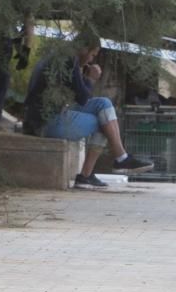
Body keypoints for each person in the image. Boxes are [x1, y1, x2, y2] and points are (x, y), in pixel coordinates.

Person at [22, 32, 154, 190]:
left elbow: (77, 93)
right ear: (84, 49)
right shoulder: (69, 60)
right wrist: (91, 78)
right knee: (102, 121)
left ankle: (119, 158)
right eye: (92, 54)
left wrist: (83, 75)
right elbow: (83, 98)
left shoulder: (64, 56)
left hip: (48, 115)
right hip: (44, 123)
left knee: (103, 104)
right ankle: (95, 170)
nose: (92, 59)